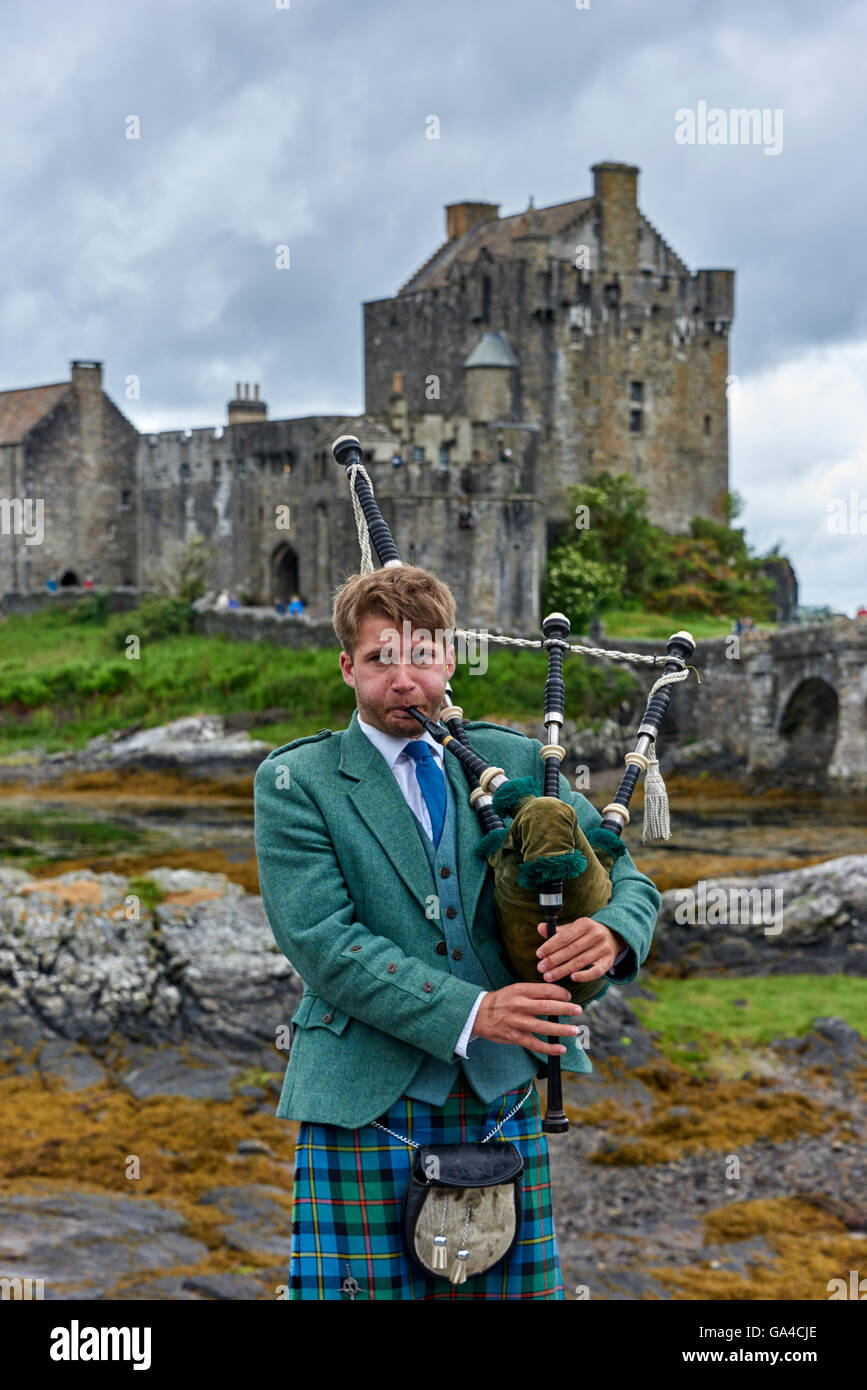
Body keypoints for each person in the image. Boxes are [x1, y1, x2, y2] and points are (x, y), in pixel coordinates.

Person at [253, 565, 661, 1300]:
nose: (403, 679)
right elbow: (322, 941)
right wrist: (473, 1013)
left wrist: (611, 931)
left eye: (420, 656)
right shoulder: (298, 781)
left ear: (448, 659)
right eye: (380, 658)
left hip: (503, 1089)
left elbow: (619, 867)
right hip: (365, 1096)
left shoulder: (513, 763)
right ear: (347, 666)